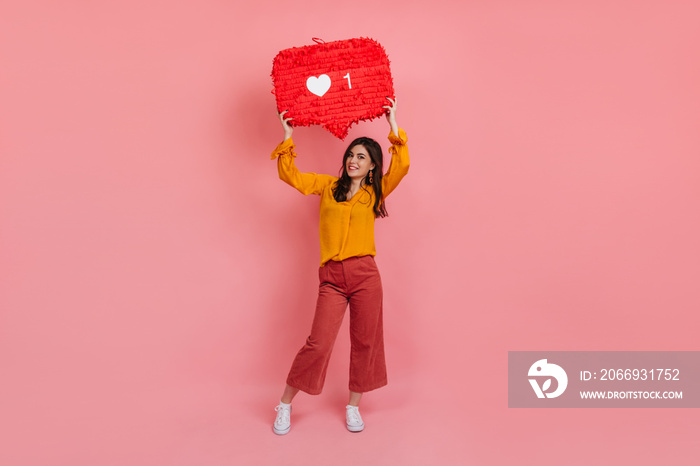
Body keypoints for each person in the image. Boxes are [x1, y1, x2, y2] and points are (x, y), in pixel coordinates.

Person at [270, 97, 409, 434]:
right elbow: (294, 178)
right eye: (350, 154)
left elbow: (401, 166)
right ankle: (285, 404)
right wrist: (288, 136)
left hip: (365, 275)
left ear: (372, 165)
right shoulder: (329, 186)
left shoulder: (376, 193)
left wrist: (393, 125)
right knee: (318, 342)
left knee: (365, 342)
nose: (352, 160)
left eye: (361, 157)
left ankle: (353, 407)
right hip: (332, 277)